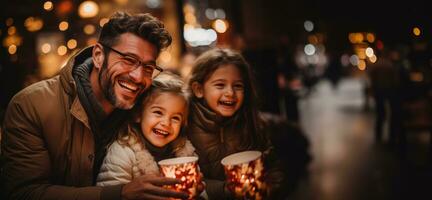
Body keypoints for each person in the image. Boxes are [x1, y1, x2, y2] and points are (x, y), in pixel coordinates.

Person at [1, 12, 189, 200]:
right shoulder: (32, 105)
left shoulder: (145, 107)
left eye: (148, 68)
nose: (138, 77)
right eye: (129, 60)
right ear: (98, 56)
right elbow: (23, 193)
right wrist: (119, 194)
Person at [186, 48, 297, 199]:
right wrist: (225, 190)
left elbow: (273, 167)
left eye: (237, 86)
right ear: (199, 89)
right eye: (220, 85)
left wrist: (267, 188)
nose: (230, 92)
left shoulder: (253, 124)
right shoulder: (185, 125)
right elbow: (185, 180)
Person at [96, 72, 206, 199]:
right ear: (138, 114)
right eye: (158, 112)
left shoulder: (185, 153)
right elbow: (111, 193)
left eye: (175, 118)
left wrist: (198, 194)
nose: (166, 123)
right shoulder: (122, 152)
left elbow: (201, 191)